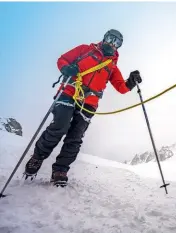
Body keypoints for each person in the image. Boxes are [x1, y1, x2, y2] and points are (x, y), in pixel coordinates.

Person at [23, 29, 142, 186]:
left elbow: (122, 88)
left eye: (116, 42)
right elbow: (62, 60)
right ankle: (37, 157)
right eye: (110, 39)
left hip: (89, 103)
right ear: (104, 38)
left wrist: (132, 81)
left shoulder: (112, 67)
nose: (112, 43)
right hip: (68, 93)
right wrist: (66, 69)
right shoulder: (85, 50)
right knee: (60, 126)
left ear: (119, 47)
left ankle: (61, 170)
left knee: (75, 136)